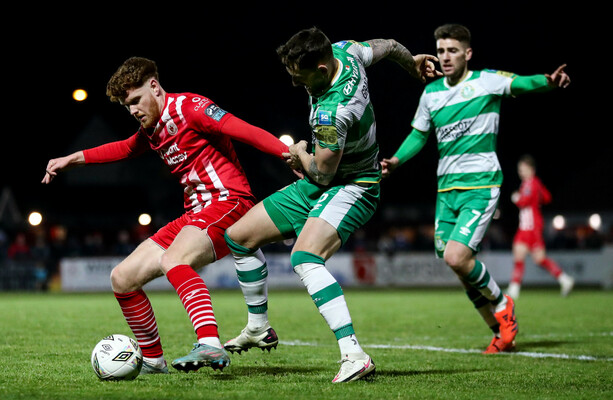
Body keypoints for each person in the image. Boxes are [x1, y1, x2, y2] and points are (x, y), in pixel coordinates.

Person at [42, 57, 289, 374]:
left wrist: (288, 155)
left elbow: (245, 131)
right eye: (126, 105)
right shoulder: (152, 130)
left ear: (154, 87)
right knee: (122, 278)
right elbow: (124, 148)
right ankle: (154, 360)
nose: (132, 111)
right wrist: (72, 159)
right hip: (195, 213)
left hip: (229, 201)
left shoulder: (192, 107)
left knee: (174, 259)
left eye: (135, 100)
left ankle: (210, 344)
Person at [222, 27, 440, 383]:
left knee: (304, 258)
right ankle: (258, 327)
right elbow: (388, 45)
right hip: (325, 180)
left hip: (355, 184)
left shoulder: (333, 111)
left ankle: (354, 355)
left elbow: (322, 174)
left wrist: (300, 153)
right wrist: (411, 63)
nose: (295, 84)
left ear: (322, 70)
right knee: (239, 237)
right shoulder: (346, 51)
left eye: (300, 77)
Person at [380, 24, 570, 354]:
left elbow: (521, 84)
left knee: (457, 256)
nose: (445, 56)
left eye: (452, 50)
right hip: (446, 191)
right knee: (459, 267)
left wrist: (547, 82)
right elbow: (419, 135)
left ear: (468, 53)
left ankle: (502, 303)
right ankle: (498, 331)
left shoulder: (486, 81)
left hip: (481, 185)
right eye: (440, 51)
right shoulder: (431, 94)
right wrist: (395, 161)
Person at [508, 155, 574, 299]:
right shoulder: (534, 183)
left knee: (537, 258)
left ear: (531, 169)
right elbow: (547, 197)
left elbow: (523, 201)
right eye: (520, 170)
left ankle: (564, 279)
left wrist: (516, 198)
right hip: (530, 226)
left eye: (523, 169)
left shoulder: (530, 183)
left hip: (530, 227)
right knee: (522, 254)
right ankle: (514, 288)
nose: (521, 172)